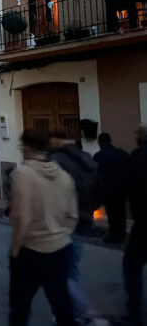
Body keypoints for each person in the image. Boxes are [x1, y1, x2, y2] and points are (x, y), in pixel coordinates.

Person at [9, 130, 78, 326]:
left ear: (28, 147)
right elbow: (72, 215)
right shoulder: (65, 176)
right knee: (62, 304)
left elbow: (21, 216)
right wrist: (60, 234)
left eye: (21, 147)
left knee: (20, 307)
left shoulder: (22, 174)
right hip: (61, 248)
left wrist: (15, 248)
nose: (21, 150)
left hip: (31, 250)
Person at [48, 130, 99, 322]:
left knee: (63, 268)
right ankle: (71, 310)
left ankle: (80, 310)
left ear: (57, 139)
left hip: (63, 221)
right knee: (71, 266)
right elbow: (101, 189)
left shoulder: (56, 161)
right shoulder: (87, 159)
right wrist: (89, 210)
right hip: (84, 220)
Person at [123, 127, 147, 325]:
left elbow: (129, 185)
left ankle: (135, 315)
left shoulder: (138, 156)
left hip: (144, 222)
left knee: (131, 266)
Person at [94, 133, 128, 243]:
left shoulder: (99, 156)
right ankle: (122, 233)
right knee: (121, 211)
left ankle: (114, 235)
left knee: (112, 213)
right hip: (121, 188)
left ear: (100, 142)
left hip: (108, 189)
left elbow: (96, 174)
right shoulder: (122, 153)